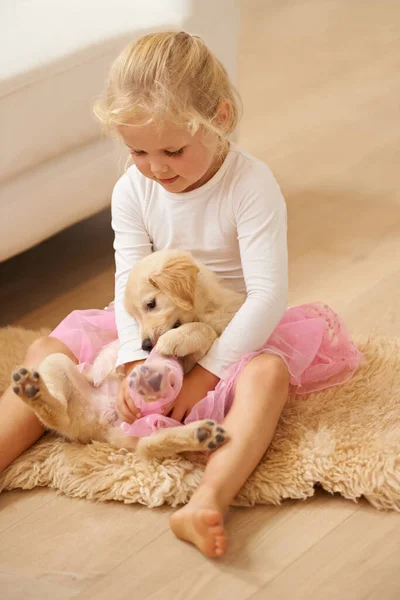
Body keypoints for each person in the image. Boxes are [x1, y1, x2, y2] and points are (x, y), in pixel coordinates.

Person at [0, 32, 361, 558]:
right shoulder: (133, 188)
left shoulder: (250, 185)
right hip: (150, 328)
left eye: (173, 150)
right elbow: (129, 282)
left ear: (219, 116)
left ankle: (207, 501)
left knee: (269, 376)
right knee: (44, 354)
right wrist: (127, 360)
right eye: (138, 151)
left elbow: (266, 295)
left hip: (226, 333)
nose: (156, 167)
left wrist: (207, 375)